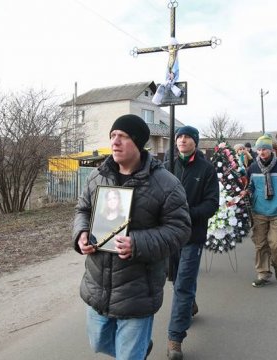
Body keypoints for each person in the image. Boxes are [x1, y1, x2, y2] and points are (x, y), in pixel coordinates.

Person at [73, 114, 191, 360]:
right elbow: (83, 210)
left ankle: (135, 352)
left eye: (123, 137)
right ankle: (140, 349)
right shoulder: (98, 176)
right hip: (98, 284)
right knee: (99, 342)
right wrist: (82, 233)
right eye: (113, 136)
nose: (115, 142)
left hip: (138, 288)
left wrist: (137, 242)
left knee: (128, 356)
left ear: (138, 143)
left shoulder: (166, 184)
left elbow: (179, 229)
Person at [164, 125, 220, 360]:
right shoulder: (167, 167)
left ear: (195, 142)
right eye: (180, 137)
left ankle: (175, 339)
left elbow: (212, 203)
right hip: (168, 236)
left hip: (192, 236)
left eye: (187, 137)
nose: (183, 140)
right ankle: (190, 305)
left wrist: (188, 214)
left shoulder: (206, 169)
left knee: (184, 283)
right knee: (175, 279)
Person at [242, 134, 277, 287]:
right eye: (259, 149)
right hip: (258, 211)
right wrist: (247, 192)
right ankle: (263, 273)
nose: (261, 152)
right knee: (260, 244)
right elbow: (250, 187)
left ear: (271, 150)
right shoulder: (252, 168)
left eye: (264, 149)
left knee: (276, 244)